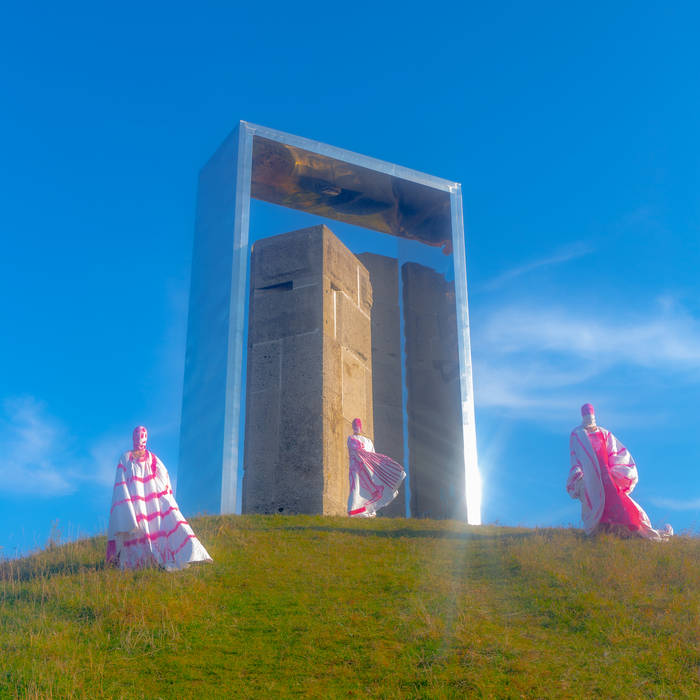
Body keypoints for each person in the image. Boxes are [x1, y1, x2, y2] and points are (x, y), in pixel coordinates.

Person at [106, 426, 213, 569]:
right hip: (133, 502)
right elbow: (121, 482)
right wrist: (125, 505)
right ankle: (137, 563)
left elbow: (163, 475)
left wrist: (164, 494)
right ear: (133, 437)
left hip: (151, 502)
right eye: (137, 435)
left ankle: (157, 560)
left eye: (143, 436)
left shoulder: (152, 458)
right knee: (137, 529)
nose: (140, 439)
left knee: (154, 528)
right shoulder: (126, 458)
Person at [567, 404, 672, 540]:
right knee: (597, 505)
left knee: (618, 504)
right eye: (586, 414)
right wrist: (579, 477)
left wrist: (616, 471)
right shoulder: (577, 434)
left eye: (590, 414)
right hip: (591, 478)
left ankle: (628, 533)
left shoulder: (604, 433)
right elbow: (576, 457)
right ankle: (603, 534)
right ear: (583, 415)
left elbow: (614, 451)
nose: (589, 417)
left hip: (607, 476)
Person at [347, 418, 406, 518]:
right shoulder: (363, 441)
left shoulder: (352, 439)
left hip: (359, 469)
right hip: (360, 469)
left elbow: (367, 454)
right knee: (360, 489)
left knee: (359, 489)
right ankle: (363, 511)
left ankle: (360, 511)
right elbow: (371, 454)